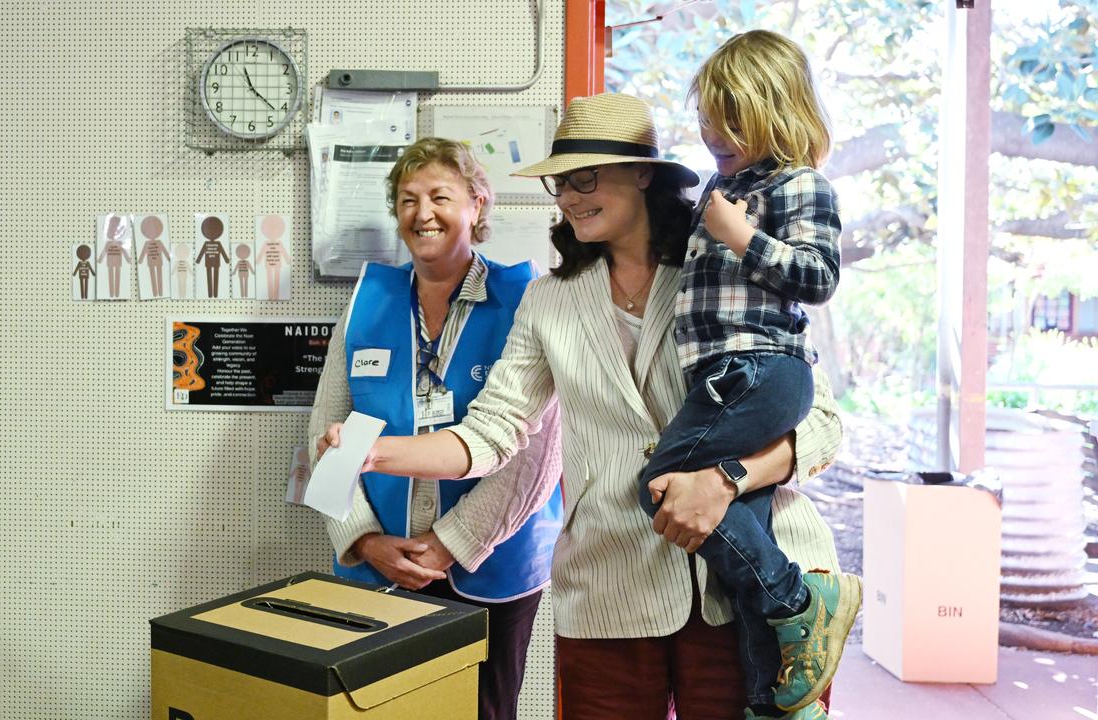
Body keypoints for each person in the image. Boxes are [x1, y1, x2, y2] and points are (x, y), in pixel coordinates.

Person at [318, 93, 844, 720]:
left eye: (586, 178)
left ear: (643, 174)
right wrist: (379, 453)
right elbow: (494, 432)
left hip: (743, 593)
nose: (569, 196)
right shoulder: (548, 300)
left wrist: (729, 479)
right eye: (561, 182)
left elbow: (822, 424)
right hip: (608, 591)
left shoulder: (727, 269)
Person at [628, 30, 860, 718]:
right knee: (740, 553)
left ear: (777, 113)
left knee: (660, 485)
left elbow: (819, 277)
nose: (714, 136)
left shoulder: (801, 185)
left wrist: (741, 236)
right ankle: (776, 698)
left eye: (732, 122)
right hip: (721, 376)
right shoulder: (721, 188)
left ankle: (799, 601)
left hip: (762, 370)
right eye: (707, 119)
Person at [306, 137, 564, 720]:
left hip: (491, 562)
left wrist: (451, 543)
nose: (422, 214)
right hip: (383, 563)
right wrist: (362, 539)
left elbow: (536, 456)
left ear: (477, 204)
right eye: (407, 199)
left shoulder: (527, 300)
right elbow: (326, 431)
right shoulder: (367, 301)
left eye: (440, 197)